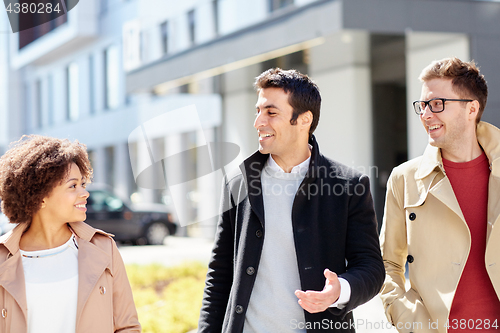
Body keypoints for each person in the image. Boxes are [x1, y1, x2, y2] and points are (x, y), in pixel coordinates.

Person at [198, 68, 385, 332]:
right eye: (258, 110)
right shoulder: (238, 182)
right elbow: (219, 272)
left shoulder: (349, 185)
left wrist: (340, 290)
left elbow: (371, 268)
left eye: (271, 112)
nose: (259, 122)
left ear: (304, 120)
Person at [380, 57, 500, 333]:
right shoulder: (404, 179)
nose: (426, 115)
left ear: (472, 109)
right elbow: (387, 264)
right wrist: (412, 323)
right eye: (422, 106)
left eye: (437, 104)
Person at [0, 135, 141, 333]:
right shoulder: (2, 257)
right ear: (40, 196)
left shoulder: (103, 248)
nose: (85, 193)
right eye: (73, 186)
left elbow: (127, 326)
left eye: (83, 184)